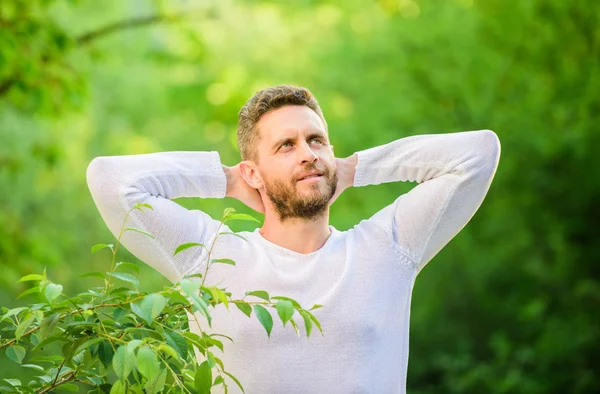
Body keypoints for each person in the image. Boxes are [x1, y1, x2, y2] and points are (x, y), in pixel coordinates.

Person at [86, 84, 501, 394]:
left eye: (315, 140)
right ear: (253, 171)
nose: (307, 153)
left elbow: (478, 153)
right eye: (286, 145)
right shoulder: (211, 256)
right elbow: (110, 180)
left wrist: (353, 169)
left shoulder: (388, 248)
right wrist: (229, 179)